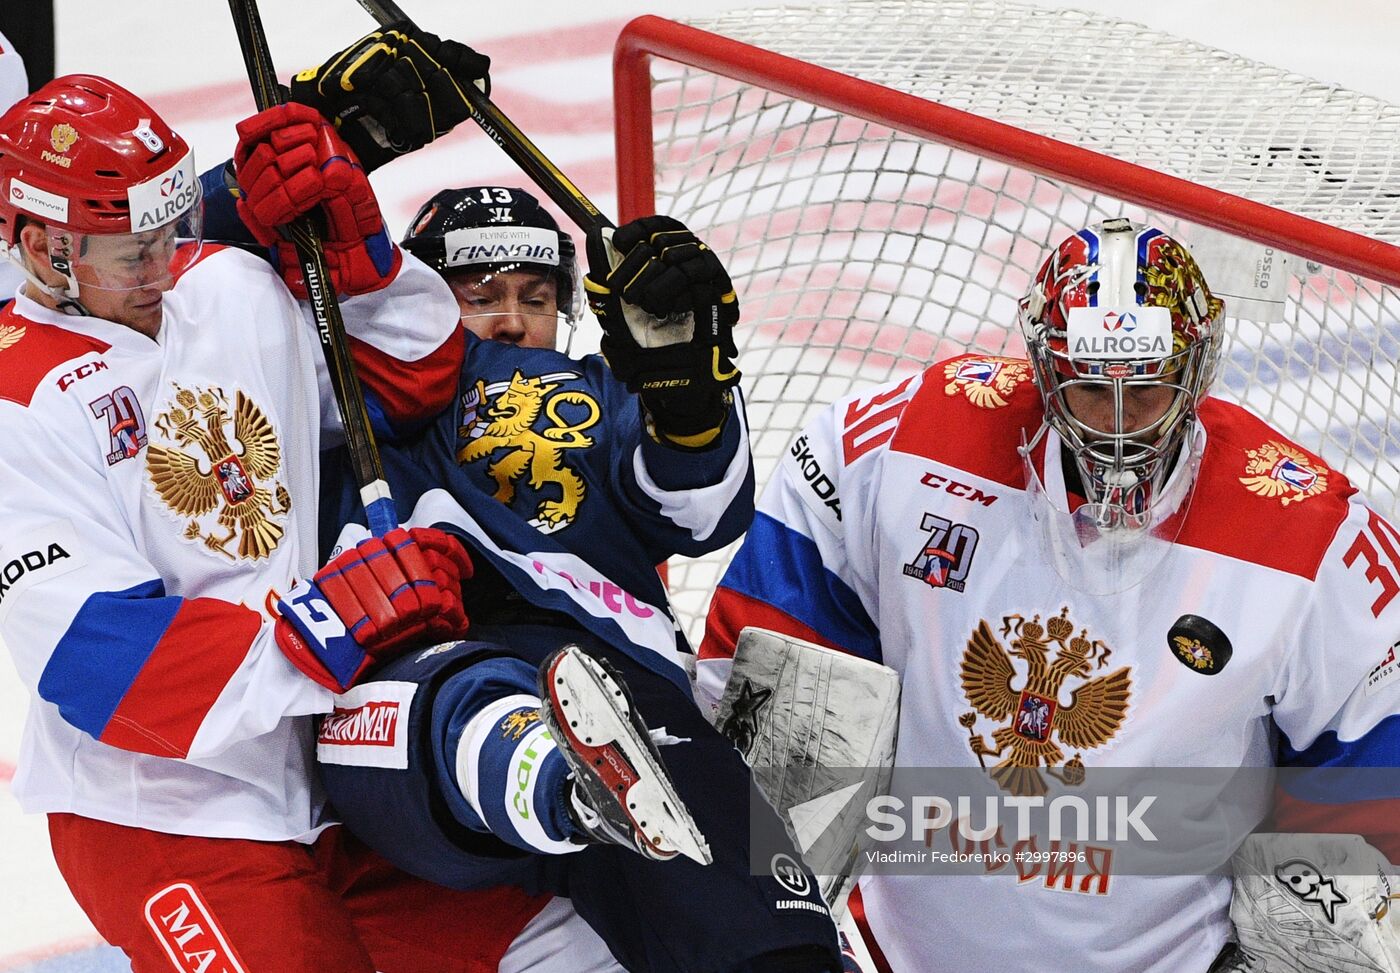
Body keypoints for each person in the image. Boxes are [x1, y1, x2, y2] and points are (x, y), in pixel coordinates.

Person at [700, 218, 1400, 971]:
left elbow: (1376, 786)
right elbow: (760, 679)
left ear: (1196, 368)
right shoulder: (902, 441)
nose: (1120, 427)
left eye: (1147, 386)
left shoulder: (1311, 536)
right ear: (1044, 364)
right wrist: (766, 909)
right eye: (1094, 387)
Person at [0, 51, 557, 971]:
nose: (158, 263)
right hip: (162, 813)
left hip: (322, 779)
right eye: (129, 248)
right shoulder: (19, 400)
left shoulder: (223, 283)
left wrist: (360, 258)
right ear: (41, 248)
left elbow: (410, 383)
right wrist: (327, 628)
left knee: (568, 940)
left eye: (168, 228)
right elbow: (96, 658)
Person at [311, 194, 846, 972]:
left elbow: (703, 511)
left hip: (610, 680)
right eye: (480, 295)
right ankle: (565, 781)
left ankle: (591, 779)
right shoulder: (349, 391)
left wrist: (685, 395)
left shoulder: (589, 388)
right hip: (412, 667)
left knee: (775, 943)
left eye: (534, 298)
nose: (511, 320)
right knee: (411, 715)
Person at [401, 185, 577, 350]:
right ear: (418, 310)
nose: (513, 326)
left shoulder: (597, 380)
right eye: (481, 300)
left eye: (534, 302)